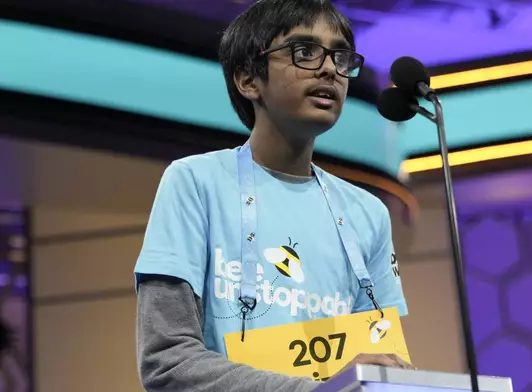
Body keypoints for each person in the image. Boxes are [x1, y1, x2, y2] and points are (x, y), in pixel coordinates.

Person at [134, 0, 412, 391]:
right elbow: (166, 361)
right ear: (248, 79)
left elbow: (384, 370)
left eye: (341, 56)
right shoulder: (194, 182)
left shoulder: (369, 213)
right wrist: (315, 390)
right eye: (305, 52)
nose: (330, 69)